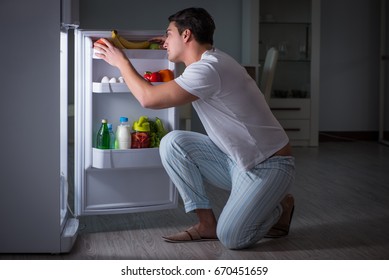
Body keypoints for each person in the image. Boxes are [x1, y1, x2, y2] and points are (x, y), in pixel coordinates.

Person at [94, 7, 295, 250]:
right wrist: (170, 46)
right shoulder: (207, 62)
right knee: (172, 143)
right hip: (237, 161)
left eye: (169, 34)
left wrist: (121, 62)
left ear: (186, 35)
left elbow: (149, 99)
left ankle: (279, 205)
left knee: (232, 237)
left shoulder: (208, 69)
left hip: (269, 166)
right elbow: (176, 73)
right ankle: (206, 224)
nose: (165, 41)